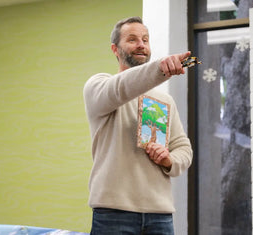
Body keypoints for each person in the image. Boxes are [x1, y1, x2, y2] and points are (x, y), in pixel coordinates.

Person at [83, 16, 193, 235]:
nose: (141, 44)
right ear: (115, 49)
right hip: (113, 214)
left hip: (160, 216)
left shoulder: (164, 101)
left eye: (145, 39)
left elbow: (184, 149)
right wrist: (159, 68)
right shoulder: (99, 87)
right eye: (132, 39)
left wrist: (168, 159)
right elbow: (123, 86)